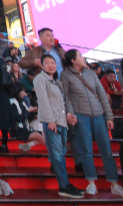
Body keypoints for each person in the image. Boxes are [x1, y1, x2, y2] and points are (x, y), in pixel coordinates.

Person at [60, 49, 123, 197]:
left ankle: (114, 183)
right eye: (80, 56)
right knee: (86, 150)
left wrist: (109, 116)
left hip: (98, 114)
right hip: (81, 115)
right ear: (73, 60)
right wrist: (71, 113)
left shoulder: (91, 73)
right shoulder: (66, 75)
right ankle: (91, 182)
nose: (83, 58)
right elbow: (66, 97)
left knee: (106, 149)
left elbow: (102, 95)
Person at [34, 54, 84, 198]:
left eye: (53, 62)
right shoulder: (40, 79)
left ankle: (65, 184)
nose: (51, 65)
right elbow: (43, 100)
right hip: (52, 123)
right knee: (57, 156)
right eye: (47, 63)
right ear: (42, 66)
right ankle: (64, 185)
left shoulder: (57, 82)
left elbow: (64, 100)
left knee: (60, 154)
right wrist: (50, 120)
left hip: (62, 122)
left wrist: (69, 114)